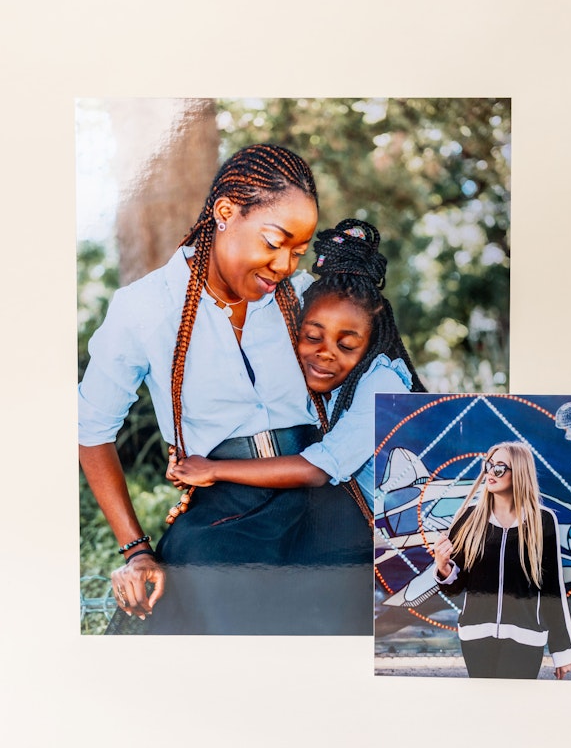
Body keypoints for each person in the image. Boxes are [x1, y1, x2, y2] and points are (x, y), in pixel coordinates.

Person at [79, 143, 364, 634]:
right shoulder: (145, 308)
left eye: (298, 252)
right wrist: (135, 549)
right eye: (274, 242)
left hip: (321, 497)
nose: (285, 266)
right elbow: (90, 430)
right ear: (226, 212)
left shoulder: (302, 302)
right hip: (222, 515)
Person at [168, 218, 426, 520]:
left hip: (419, 537)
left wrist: (213, 470)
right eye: (313, 337)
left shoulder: (382, 385)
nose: (325, 354)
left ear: (370, 345)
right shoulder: (319, 380)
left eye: (346, 346)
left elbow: (318, 468)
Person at [432, 442, 571, 679]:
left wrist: (563, 650)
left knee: (516, 710)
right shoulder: (469, 519)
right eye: (488, 466)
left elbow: (552, 589)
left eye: (499, 468)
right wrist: (442, 566)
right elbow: (455, 587)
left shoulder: (542, 521)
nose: (490, 472)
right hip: (476, 636)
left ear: (519, 472)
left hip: (527, 637)